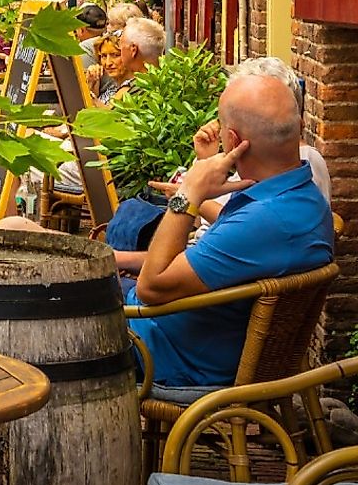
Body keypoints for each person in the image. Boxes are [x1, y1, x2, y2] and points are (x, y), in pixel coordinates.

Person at [123, 63, 334, 387]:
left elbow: (151, 288)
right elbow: (224, 245)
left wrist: (189, 192)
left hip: (162, 352)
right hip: (190, 338)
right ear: (299, 127)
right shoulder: (295, 196)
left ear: (233, 140)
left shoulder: (267, 220)